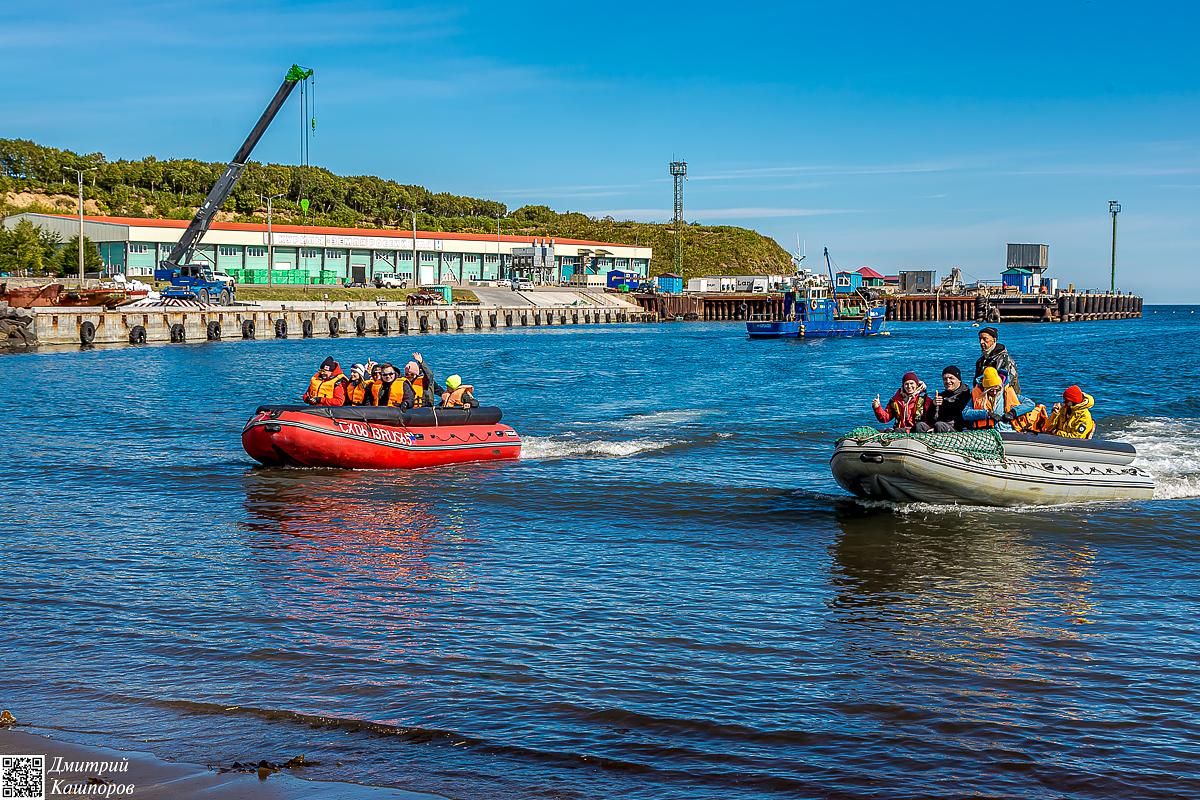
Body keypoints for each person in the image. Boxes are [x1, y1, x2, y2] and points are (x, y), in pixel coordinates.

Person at [962, 367, 1040, 431]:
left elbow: (1030, 404)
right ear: (986, 389)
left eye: (997, 389)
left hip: (1008, 432)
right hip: (986, 433)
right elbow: (965, 413)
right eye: (991, 390)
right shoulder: (977, 396)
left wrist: (1013, 413)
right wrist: (986, 414)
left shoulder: (1008, 393)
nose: (995, 392)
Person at [974, 326, 1021, 394]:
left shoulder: (1004, 359)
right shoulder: (980, 361)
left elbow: (1006, 383)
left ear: (994, 340)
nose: (981, 342)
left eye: (985, 339)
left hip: (1005, 398)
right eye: (980, 339)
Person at [929, 365, 971, 432]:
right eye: (945, 379)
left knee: (939, 425)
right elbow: (931, 419)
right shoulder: (941, 396)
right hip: (938, 427)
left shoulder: (966, 395)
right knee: (920, 425)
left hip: (958, 430)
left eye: (951, 378)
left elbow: (962, 417)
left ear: (959, 380)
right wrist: (934, 405)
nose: (948, 381)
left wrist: (946, 403)